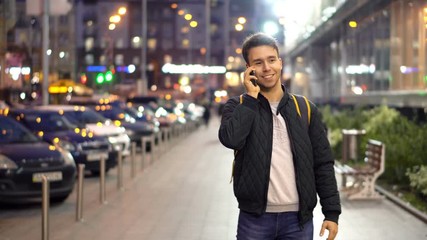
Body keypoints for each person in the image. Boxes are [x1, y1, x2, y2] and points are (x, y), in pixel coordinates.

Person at [218, 32, 341, 240]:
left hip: (298, 221)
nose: (267, 68)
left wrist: (331, 212)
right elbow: (231, 140)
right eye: (258, 62)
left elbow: (323, 162)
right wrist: (250, 98)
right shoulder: (238, 105)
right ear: (249, 69)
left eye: (271, 60)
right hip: (254, 219)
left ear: (280, 62)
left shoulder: (305, 108)